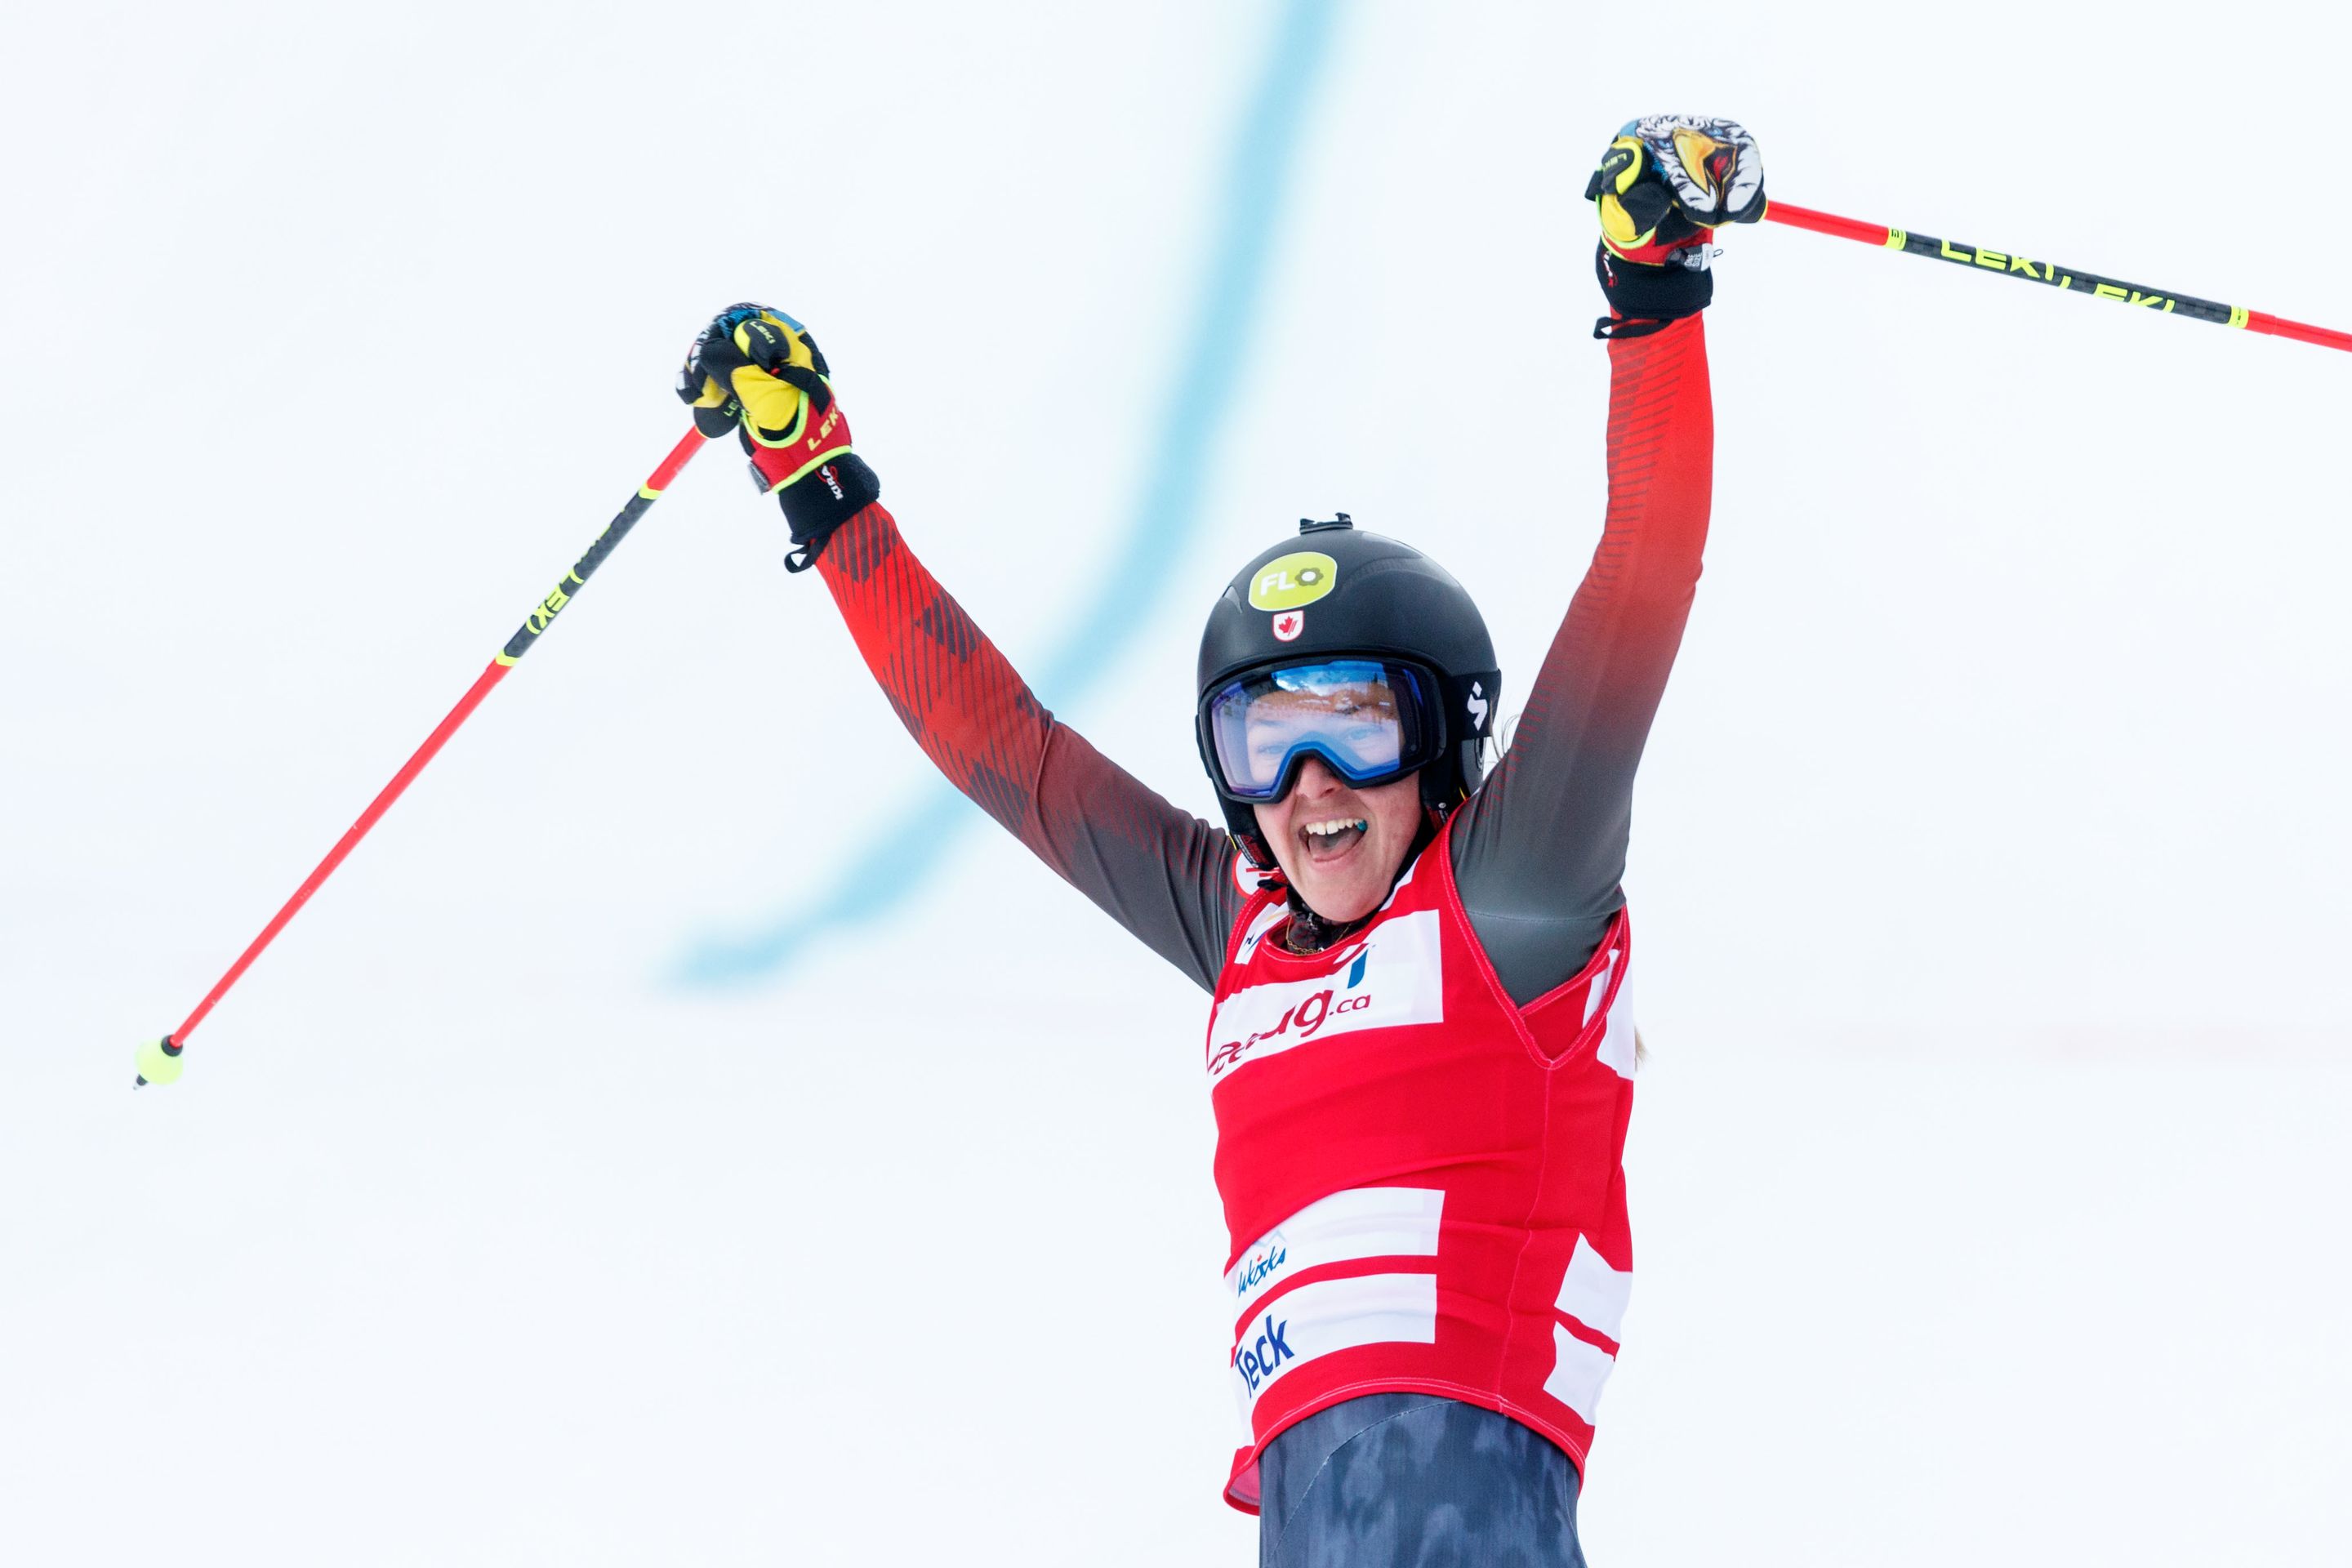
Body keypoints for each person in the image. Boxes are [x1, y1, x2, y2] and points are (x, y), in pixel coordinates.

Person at [677, 114, 1764, 1567]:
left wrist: (1652, 291)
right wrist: (819, 479)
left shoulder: (1512, 900)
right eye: (1261, 741)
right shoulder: (1243, 935)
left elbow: (1644, 576)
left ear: (1445, 741)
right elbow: (1014, 759)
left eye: (1356, 728)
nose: (1310, 784)